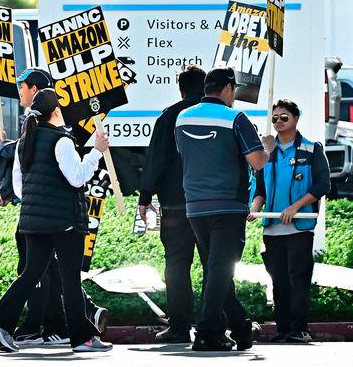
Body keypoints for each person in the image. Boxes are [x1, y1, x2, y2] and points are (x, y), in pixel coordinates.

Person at [0, 89, 112, 354]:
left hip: (32, 221)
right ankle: (82, 338)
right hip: (64, 221)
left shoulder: (24, 141)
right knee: (70, 280)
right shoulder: (62, 141)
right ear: (56, 111)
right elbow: (77, 177)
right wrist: (96, 151)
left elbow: (18, 189)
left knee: (31, 273)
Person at [175, 66, 271, 352]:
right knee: (220, 270)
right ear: (229, 89)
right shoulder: (235, 118)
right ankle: (206, 332)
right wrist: (267, 148)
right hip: (228, 205)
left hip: (194, 205)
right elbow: (257, 161)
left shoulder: (182, 118)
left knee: (216, 271)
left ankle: (241, 328)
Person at [248, 99, 330, 343]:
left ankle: (299, 329)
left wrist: (294, 207)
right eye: (275, 118)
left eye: (284, 117)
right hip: (272, 229)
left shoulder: (311, 149)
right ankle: (283, 329)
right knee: (278, 281)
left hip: (299, 228)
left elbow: (322, 184)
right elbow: (260, 190)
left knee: (298, 280)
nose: (279, 122)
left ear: (296, 119)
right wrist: (254, 209)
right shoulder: (267, 153)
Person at [138, 64, 206, 343]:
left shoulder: (169, 116)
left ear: (180, 89)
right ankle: (219, 322)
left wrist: (145, 197)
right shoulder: (221, 115)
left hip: (177, 206)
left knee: (176, 267)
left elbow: (156, 159)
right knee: (216, 265)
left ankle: (179, 326)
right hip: (211, 206)